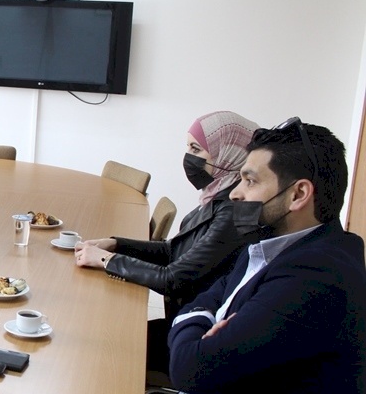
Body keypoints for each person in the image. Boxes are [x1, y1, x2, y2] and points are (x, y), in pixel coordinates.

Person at [132, 118, 366, 394]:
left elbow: (188, 368)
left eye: (250, 180)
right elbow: (207, 299)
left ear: (298, 194)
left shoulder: (316, 279)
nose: (236, 193)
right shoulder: (277, 244)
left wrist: (195, 324)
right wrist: (201, 321)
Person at [74, 111, 261, 374]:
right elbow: (173, 250)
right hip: (181, 324)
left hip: (191, 338)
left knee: (98, 346)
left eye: (196, 149)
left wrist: (106, 260)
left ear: (227, 154)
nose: (188, 158)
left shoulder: (233, 213)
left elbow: (173, 278)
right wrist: (115, 244)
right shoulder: (217, 196)